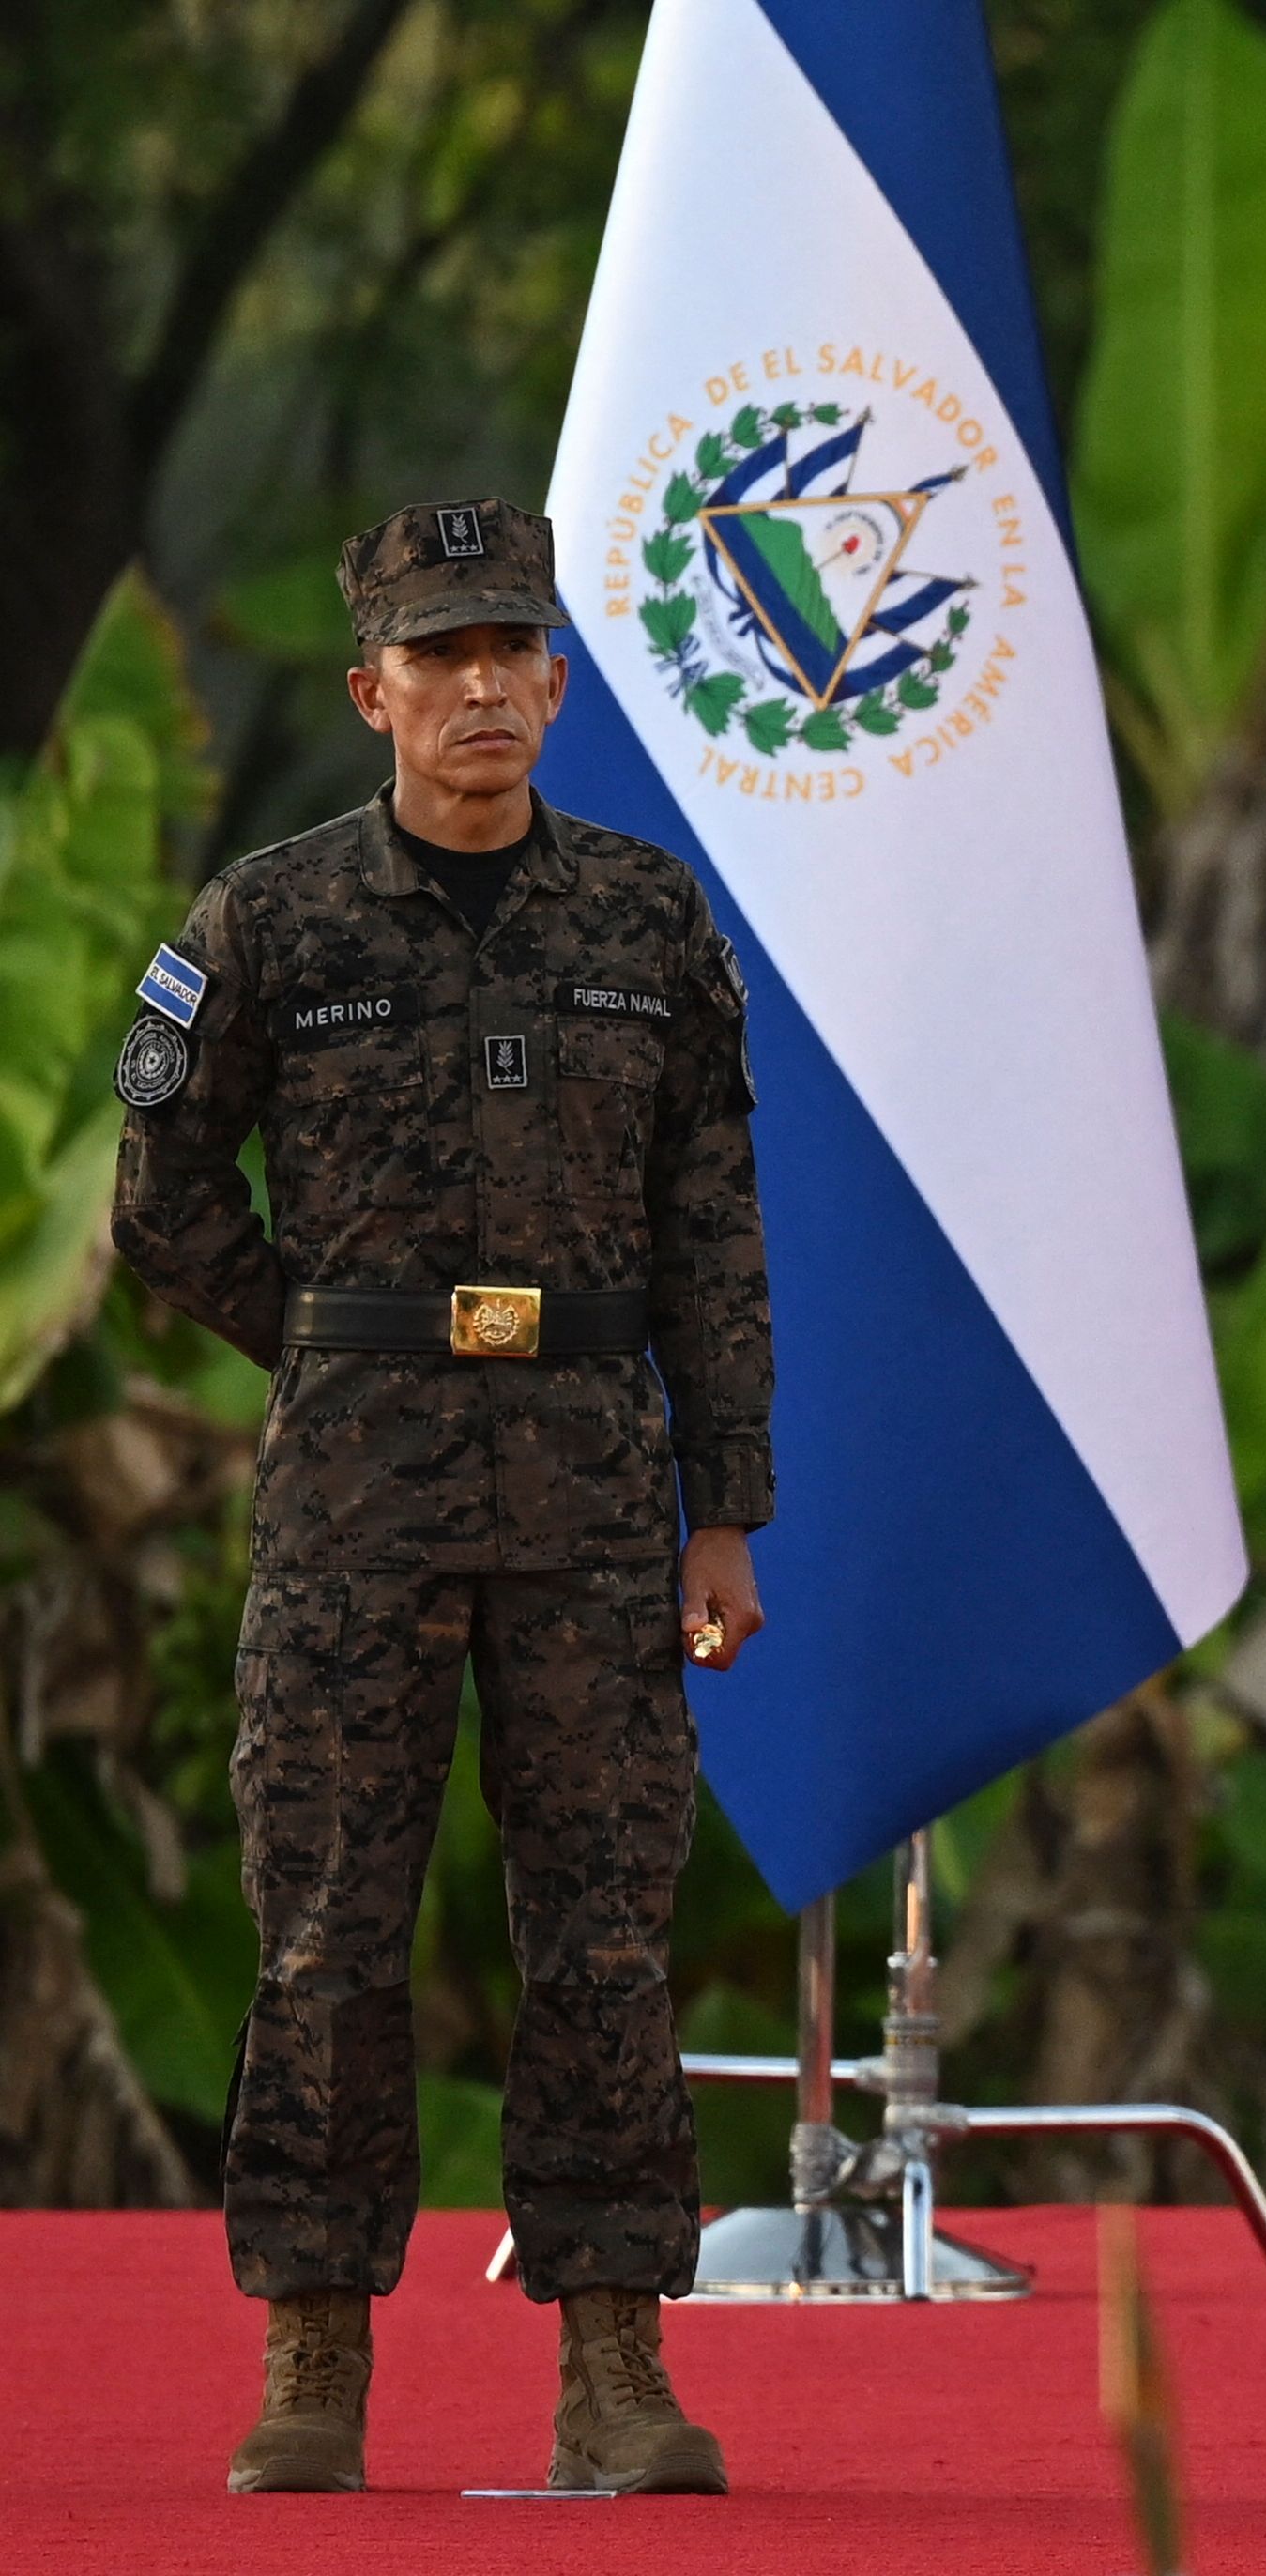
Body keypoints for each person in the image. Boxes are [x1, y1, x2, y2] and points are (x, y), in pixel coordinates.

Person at [112, 498, 773, 2498]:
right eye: (441, 655)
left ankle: (615, 2369)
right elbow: (161, 1204)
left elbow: (711, 1228)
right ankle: (314, 2353)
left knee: (604, 1933)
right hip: (356, 1499)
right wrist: (332, 1341)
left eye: (513, 653)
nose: (481, 686)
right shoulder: (267, 923)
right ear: (371, 690)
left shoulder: (650, 924)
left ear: (559, 686)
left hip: (590, 1483)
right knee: (324, 1926)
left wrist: (725, 1507)